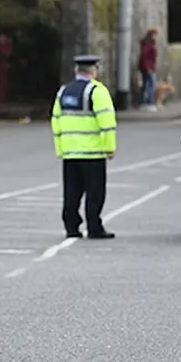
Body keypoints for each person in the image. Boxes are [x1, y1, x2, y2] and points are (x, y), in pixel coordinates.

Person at [51, 54, 117, 240]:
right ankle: (94, 227)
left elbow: (56, 121)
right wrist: (109, 147)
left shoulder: (63, 92)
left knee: (71, 192)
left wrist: (61, 149)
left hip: (70, 153)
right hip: (93, 153)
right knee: (95, 193)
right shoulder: (98, 91)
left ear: (76, 71)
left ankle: (71, 227)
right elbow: (107, 121)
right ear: (94, 71)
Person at [137, 28, 158, 110]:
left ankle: (143, 102)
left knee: (145, 85)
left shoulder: (146, 44)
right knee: (151, 85)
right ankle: (149, 103)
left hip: (146, 67)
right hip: (148, 67)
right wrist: (149, 68)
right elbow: (145, 57)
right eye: (155, 35)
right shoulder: (149, 45)